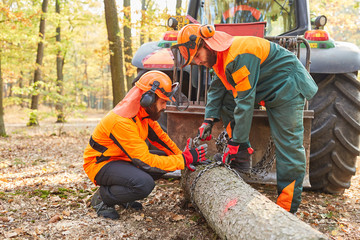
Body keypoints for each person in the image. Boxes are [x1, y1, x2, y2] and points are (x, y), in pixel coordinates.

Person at [171, 24, 318, 214]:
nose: (197, 62)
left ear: (208, 45)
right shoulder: (220, 58)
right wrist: (208, 120)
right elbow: (217, 88)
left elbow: (245, 104)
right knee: (225, 102)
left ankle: (286, 209)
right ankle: (240, 158)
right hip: (265, 88)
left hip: (287, 86)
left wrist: (235, 141)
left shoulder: (239, 55)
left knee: (288, 146)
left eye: (197, 56)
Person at [83, 70, 208, 219]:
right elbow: (145, 162)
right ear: (147, 99)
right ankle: (102, 198)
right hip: (100, 164)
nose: (165, 106)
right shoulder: (121, 121)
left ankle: (123, 197)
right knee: (144, 184)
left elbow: (160, 138)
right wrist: (184, 160)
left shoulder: (143, 113)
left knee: (163, 160)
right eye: (162, 102)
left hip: (120, 159)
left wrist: (181, 155)